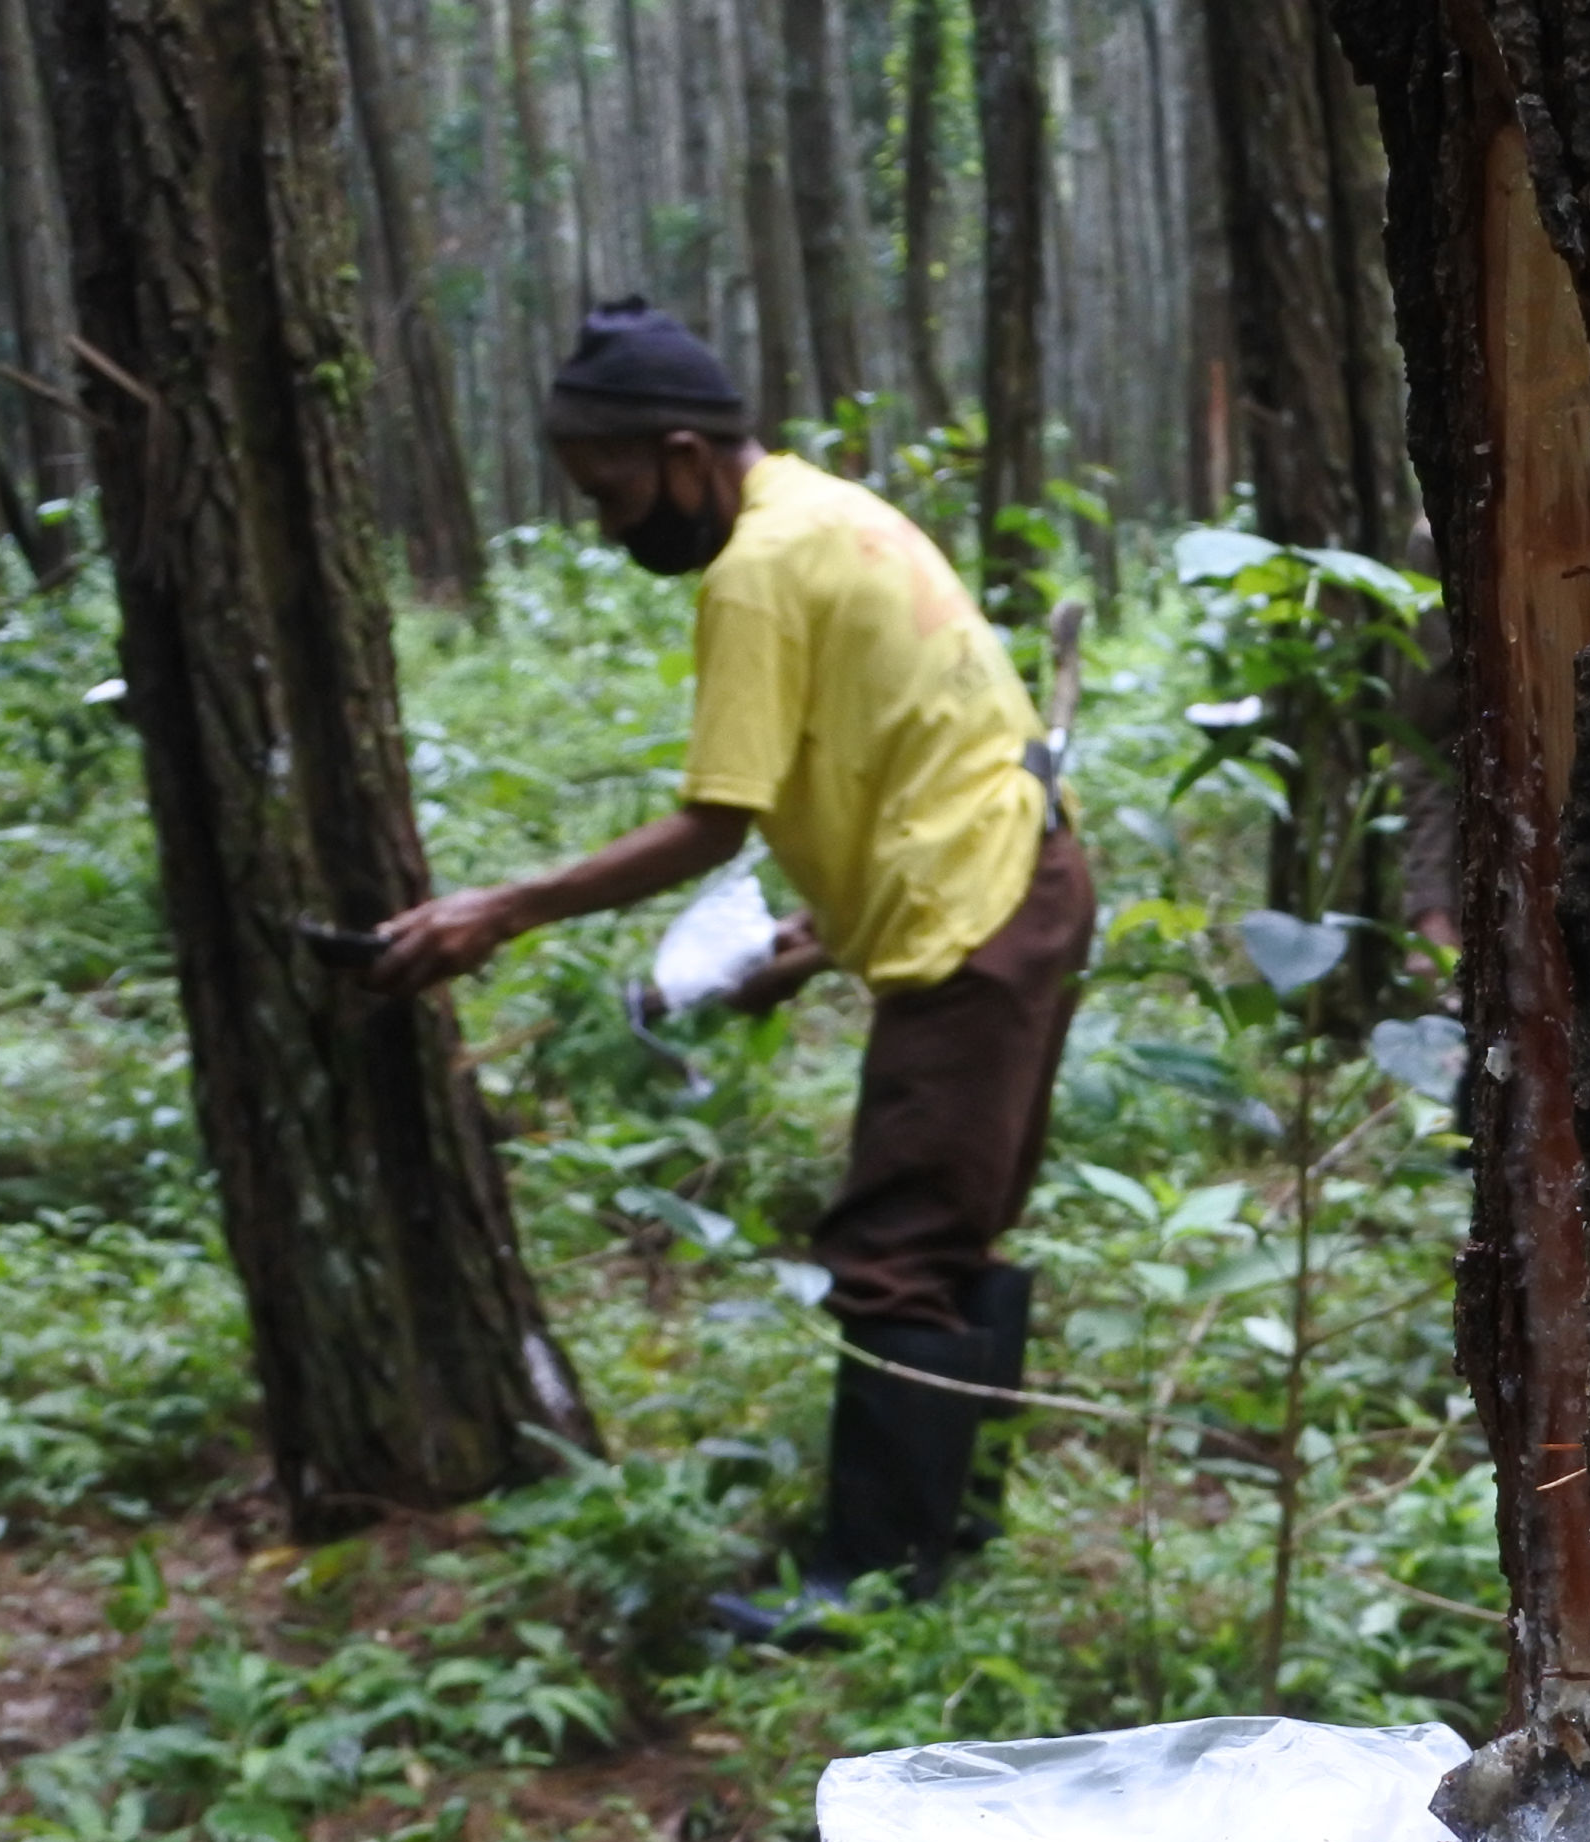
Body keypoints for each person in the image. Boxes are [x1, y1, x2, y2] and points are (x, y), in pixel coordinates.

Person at [366, 300, 1093, 1641]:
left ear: (687, 451)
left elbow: (714, 821)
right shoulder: (825, 508)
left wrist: (504, 908)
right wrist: (815, 941)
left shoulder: (759, 565)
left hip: (977, 910)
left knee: (894, 1250)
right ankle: (950, 1537)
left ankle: (866, 1589)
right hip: (1020, 878)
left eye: (614, 491)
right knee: (948, 1231)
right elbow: (904, 736)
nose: (608, 522)